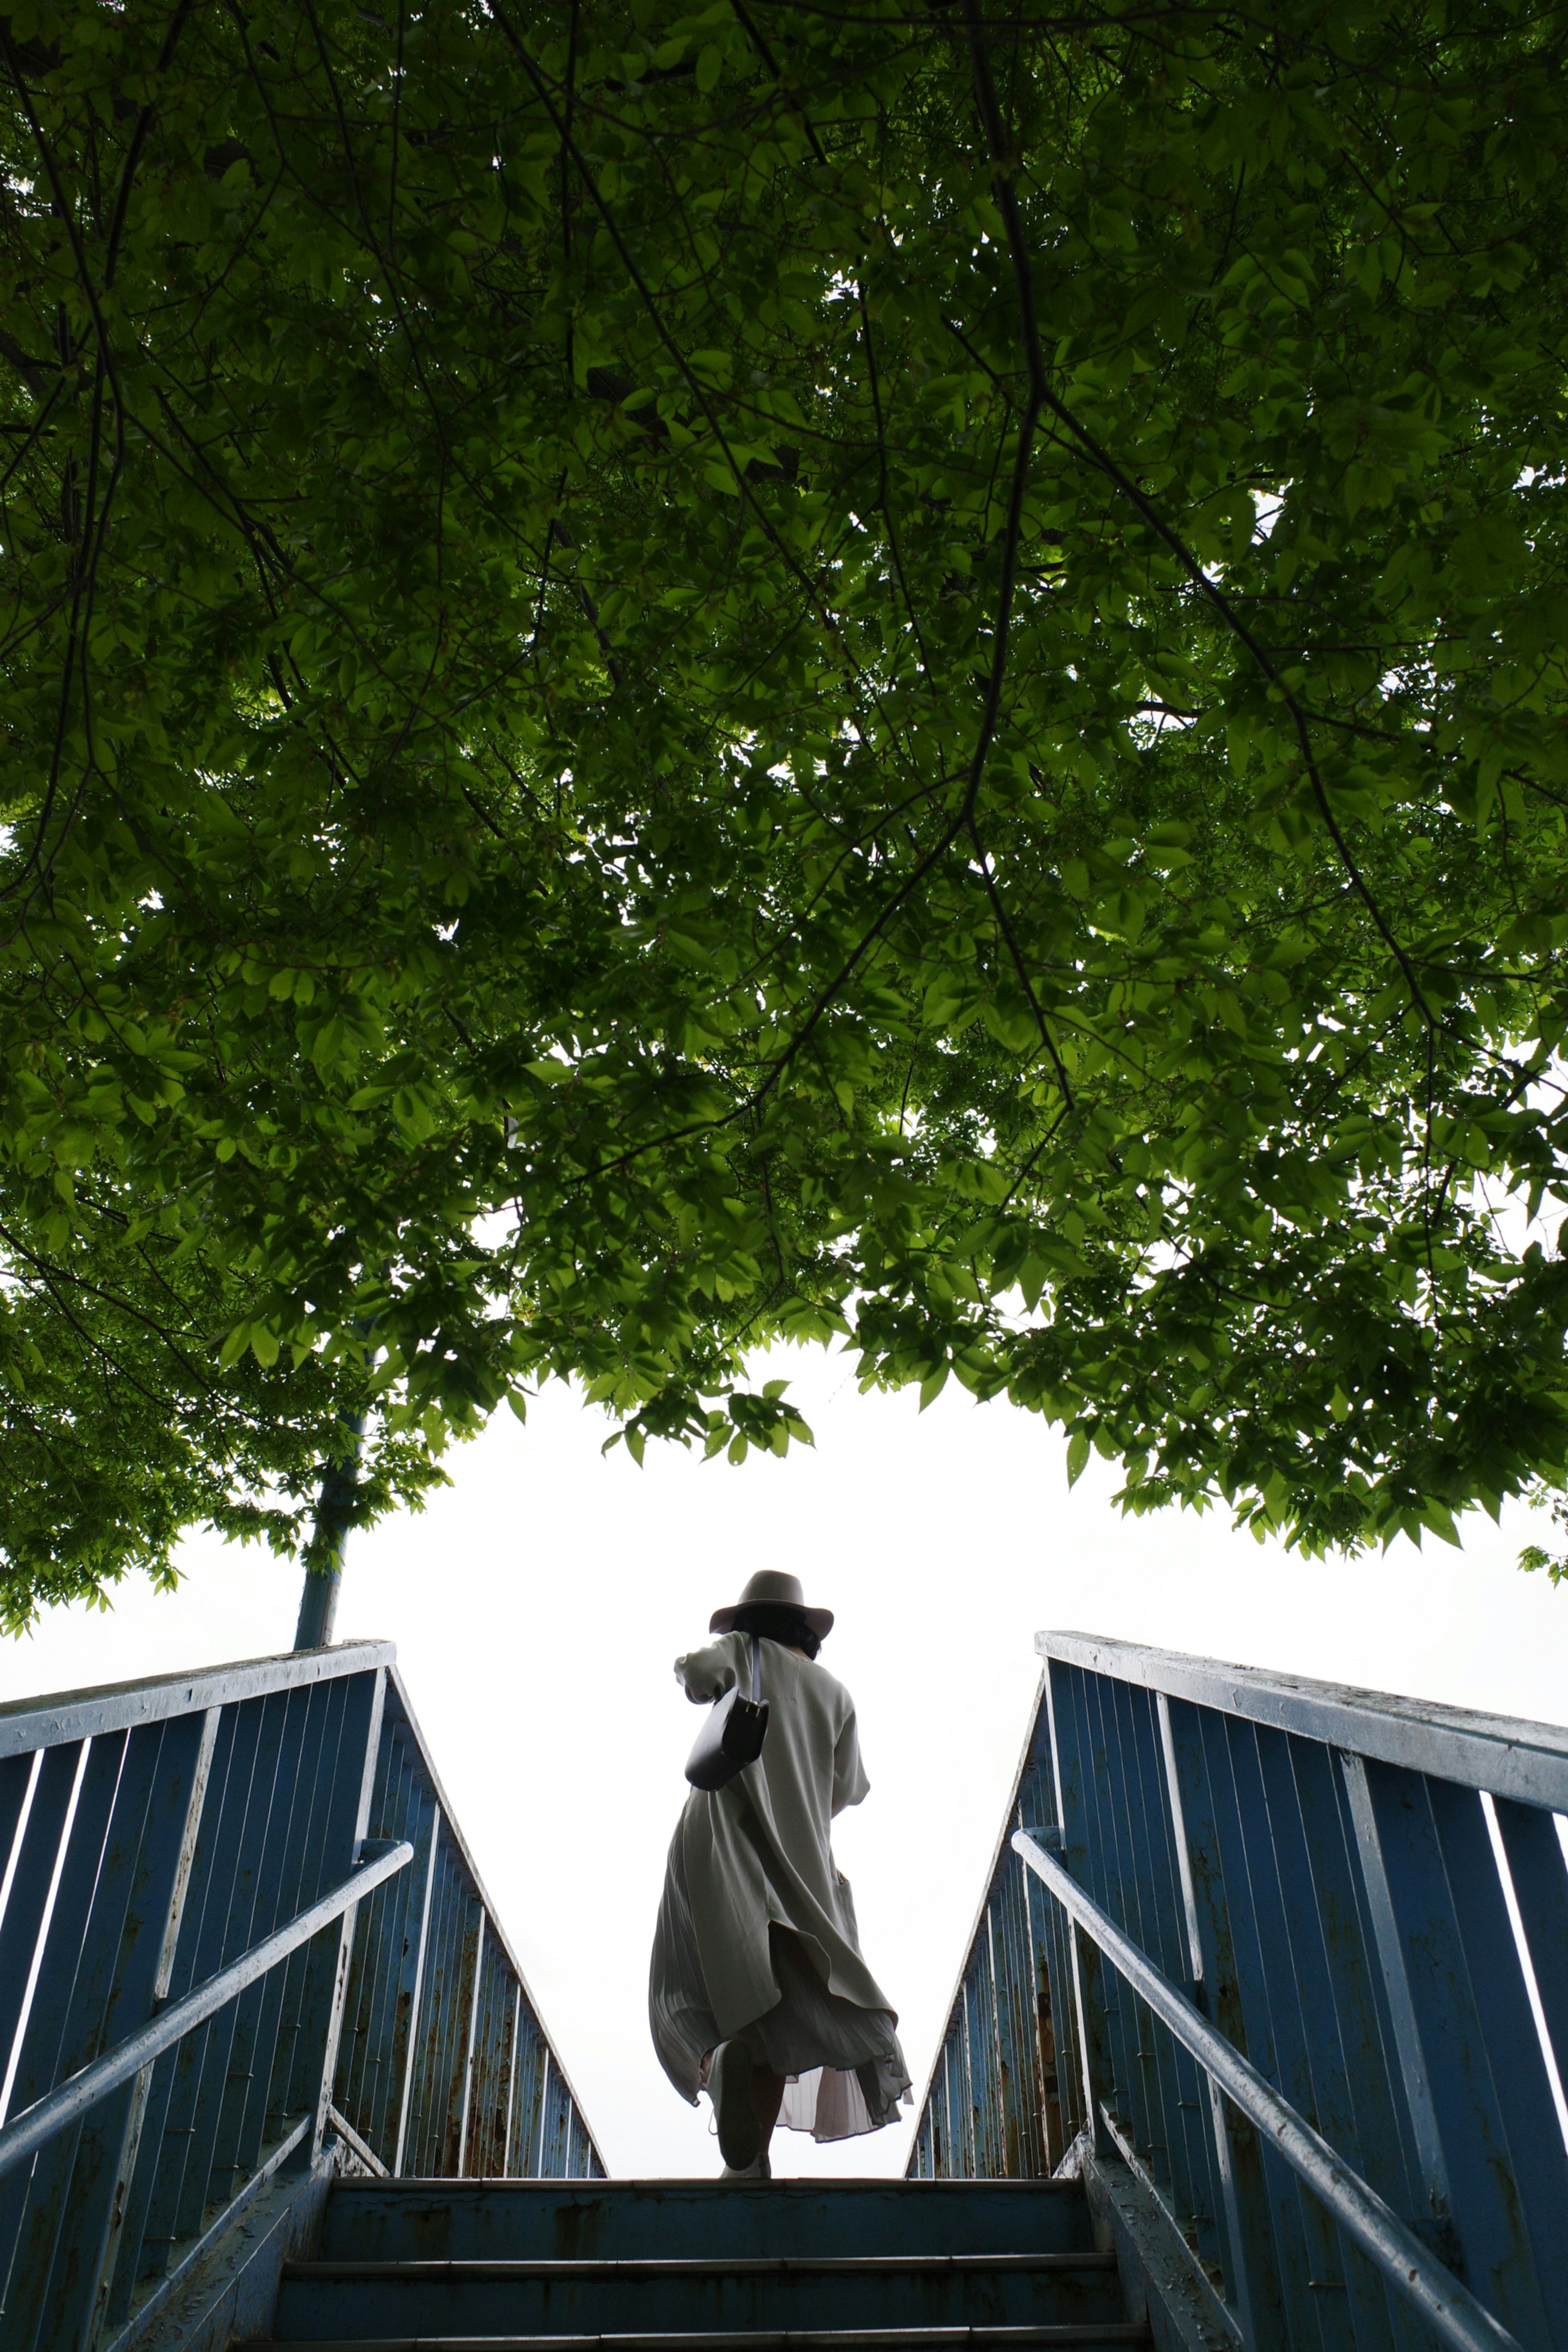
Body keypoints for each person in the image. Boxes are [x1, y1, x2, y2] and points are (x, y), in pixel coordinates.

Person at [649, 1568, 912, 2179]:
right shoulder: (836, 1693)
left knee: (689, 1987)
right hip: (802, 1863)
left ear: (748, 1621)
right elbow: (848, 1789)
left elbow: (694, 1673)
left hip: (720, 1840)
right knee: (776, 2005)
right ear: (806, 1630)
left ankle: (719, 2068)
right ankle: (749, 2164)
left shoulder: (742, 1651)